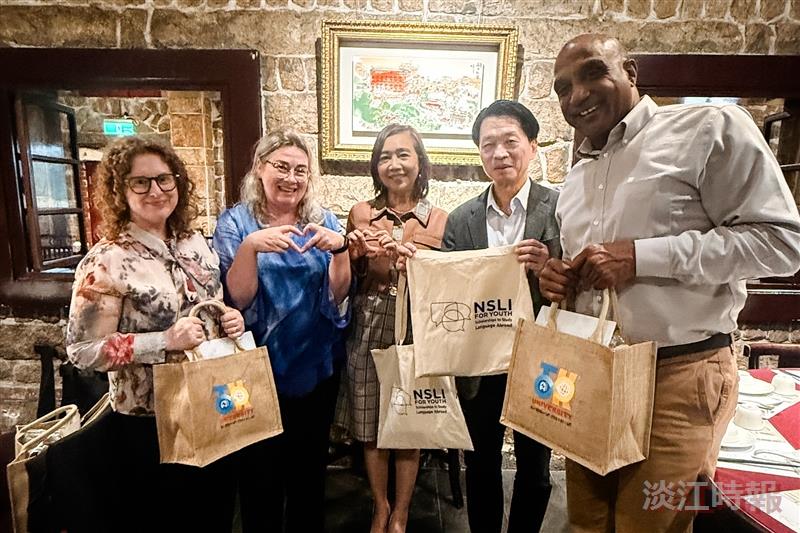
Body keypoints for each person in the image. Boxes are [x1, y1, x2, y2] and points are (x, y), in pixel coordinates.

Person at [543, 34, 800, 532]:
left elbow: (782, 243)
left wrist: (642, 257)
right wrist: (563, 278)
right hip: (595, 374)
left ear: (631, 71)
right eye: (562, 87)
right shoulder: (576, 178)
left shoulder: (707, 128)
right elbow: (597, 275)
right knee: (587, 524)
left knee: (654, 525)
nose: (576, 95)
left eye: (593, 72)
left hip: (679, 377)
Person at [66, 135, 245, 532]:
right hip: (149, 421)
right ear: (120, 189)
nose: (156, 191)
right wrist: (163, 342)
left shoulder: (195, 242)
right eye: (140, 182)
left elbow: (211, 304)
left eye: (165, 179)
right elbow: (82, 350)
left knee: (215, 510)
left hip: (213, 401)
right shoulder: (107, 260)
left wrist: (229, 318)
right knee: (164, 517)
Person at [212, 128, 351, 533]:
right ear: (260, 168)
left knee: (309, 476)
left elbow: (338, 293)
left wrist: (340, 247)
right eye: (282, 167)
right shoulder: (235, 223)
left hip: (315, 365)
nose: (291, 178)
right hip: (255, 369)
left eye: (301, 171)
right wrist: (250, 247)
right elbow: (238, 300)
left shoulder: (321, 220)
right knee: (259, 477)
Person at [442, 100, 559, 533]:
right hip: (480, 361)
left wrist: (550, 265)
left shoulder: (560, 208)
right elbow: (449, 290)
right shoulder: (461, 219)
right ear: (479, 154)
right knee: (481, 462)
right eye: (488, 144)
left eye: (511, 141)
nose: (500, 153)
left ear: (532, 145)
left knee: (536, 463)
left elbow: (582, 280)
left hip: (541, 358)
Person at [336, 124, 448, 533]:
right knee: (369, 424)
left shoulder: (439, 219)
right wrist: (355, 253)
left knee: (409, 419)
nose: (395, 164)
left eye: (404, 154)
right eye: (385, 156)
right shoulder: (361, 213)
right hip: (368, 323)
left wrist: (417, 266)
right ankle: (379, 506)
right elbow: (347, 278)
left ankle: (401, 512)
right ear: (375, 165)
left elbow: (446, 285)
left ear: (420, 163)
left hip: (416, 327)